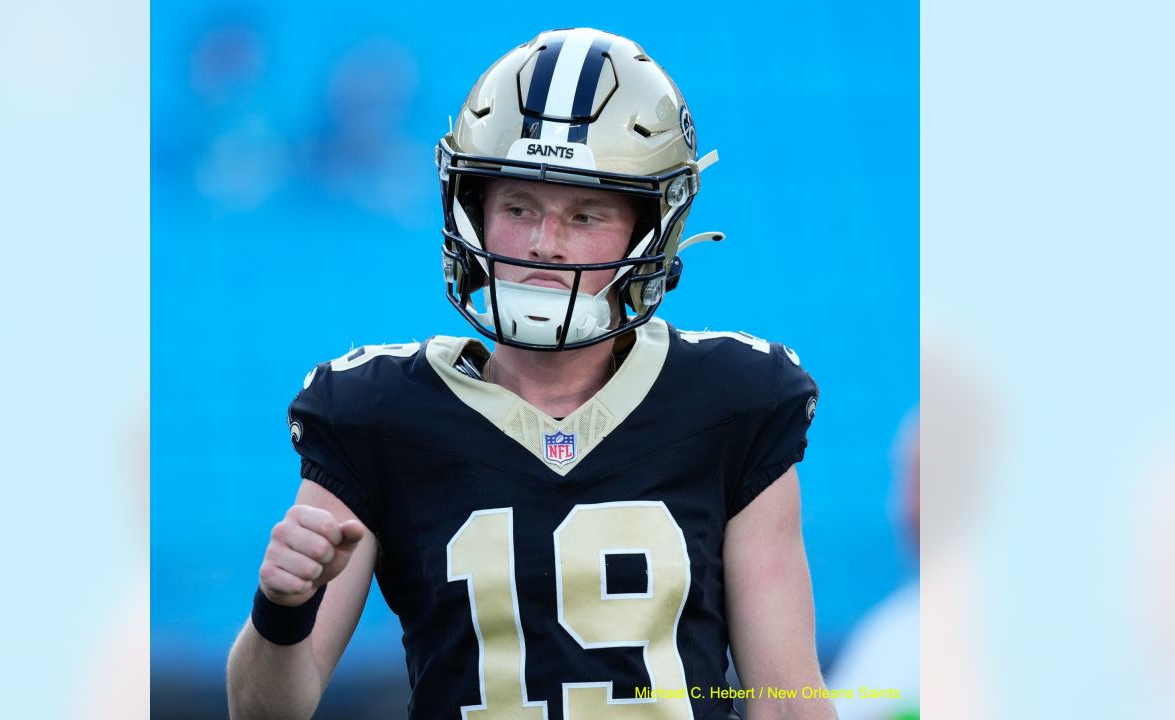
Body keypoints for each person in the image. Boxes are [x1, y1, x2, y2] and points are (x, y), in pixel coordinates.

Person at [228, 27, 834, 720]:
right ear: (472, 211)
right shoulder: (373, 413)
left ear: (650, 228)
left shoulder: (732, 400)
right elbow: (266, 711)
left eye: (586, 214)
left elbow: (787, 701)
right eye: (519, 208)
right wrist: (281, 610)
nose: (546, 244)